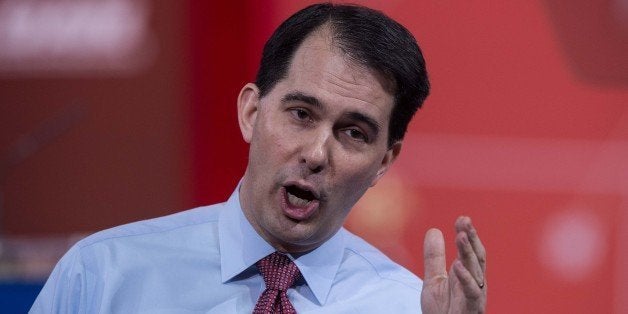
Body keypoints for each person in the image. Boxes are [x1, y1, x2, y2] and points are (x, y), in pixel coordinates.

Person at [31, 3, 487, 313]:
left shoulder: (408, 306)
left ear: (384, 163)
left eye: (353, 132)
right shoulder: (105, 277)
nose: (315, 153)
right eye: (301, 114)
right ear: (251, 112)